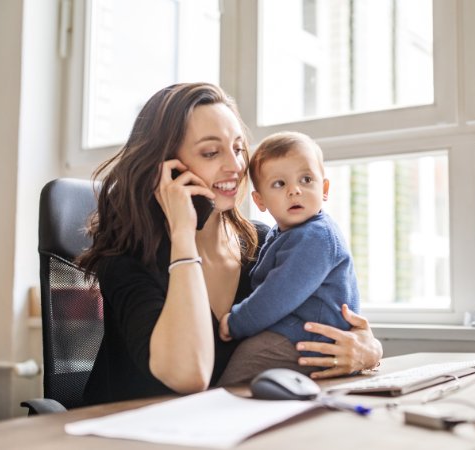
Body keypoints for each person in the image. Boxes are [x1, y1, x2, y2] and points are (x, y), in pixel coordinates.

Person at [77, 82, 382, 405]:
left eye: (237, 148)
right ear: (166, 169)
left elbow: (331, 321)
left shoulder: (263, 243)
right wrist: (183, 234)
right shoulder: (126, 258)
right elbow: (189, 375)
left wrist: (368, 350)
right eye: (211, 152)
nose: (236, 167)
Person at [216, 131, 359, 385]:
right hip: (297, 334)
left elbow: (277, 294)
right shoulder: (280, 233)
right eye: (279, 184)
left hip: (309, 339)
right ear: (259, 200)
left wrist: (236, 322)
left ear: (324, 188)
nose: (295, 191)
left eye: (306, 179)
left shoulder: (316, 237)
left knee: (233, 381)